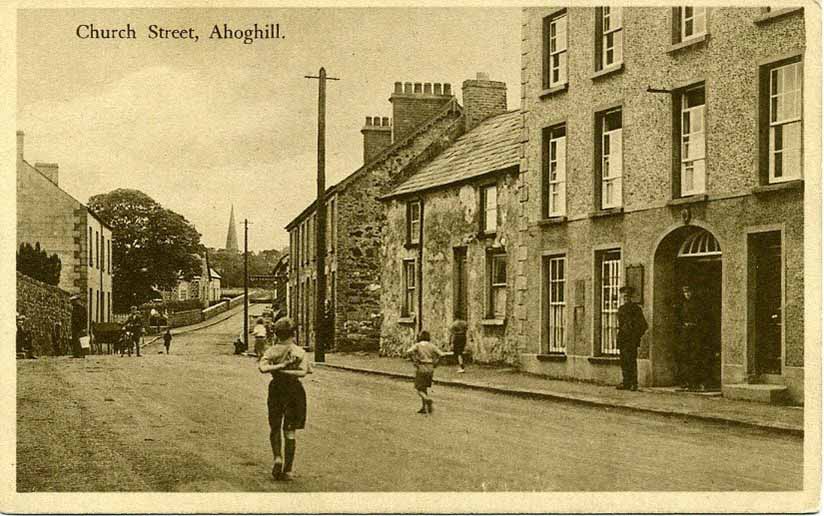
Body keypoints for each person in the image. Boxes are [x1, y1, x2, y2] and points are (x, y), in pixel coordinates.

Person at [258, 317, 310, 481]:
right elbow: (303, 372)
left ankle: (277, 458)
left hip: (276, 389)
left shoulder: (272, 351)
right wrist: (287, 368)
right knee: (290, 430)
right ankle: (288, 470)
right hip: (294, 390)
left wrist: (278, 368)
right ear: (293, 334)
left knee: (274, 426)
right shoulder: (299, 352)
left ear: (277, 334)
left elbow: (262, 368)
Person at [405, 330, 446, 415]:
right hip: (430, 368)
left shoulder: (418, 345)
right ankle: (424, 408)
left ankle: (427, 399)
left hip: (421, 367)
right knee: (425, 388)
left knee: (419, 388)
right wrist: (436, 363)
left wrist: (414, 360)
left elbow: (408, 352)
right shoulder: (431, 346)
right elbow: (442, 355)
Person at [616, 286, 648, 391]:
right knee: (624, 361)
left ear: (631, 297)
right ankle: (626, 382)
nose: (626, 299)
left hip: (631, 340)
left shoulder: (636, 309)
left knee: (631, 361)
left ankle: (634, 383)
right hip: (623, 339)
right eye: (624, 297)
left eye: (627, 296)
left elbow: (643, 325)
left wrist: (635, 336)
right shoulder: (621, 309)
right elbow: (620, 325)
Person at [676, 285, 706, 390]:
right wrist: (683, 326)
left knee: (695, 357)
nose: (687, 294)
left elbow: (702, 319)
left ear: (692, 292)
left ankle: (695, 382)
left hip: (695, 333)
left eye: (689, 292)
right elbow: (679, 319)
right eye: (685, 292)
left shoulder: (697, 305)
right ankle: (686, 382)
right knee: (685, 357)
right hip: (685, 333)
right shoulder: (682, 305)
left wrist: (694, 325)